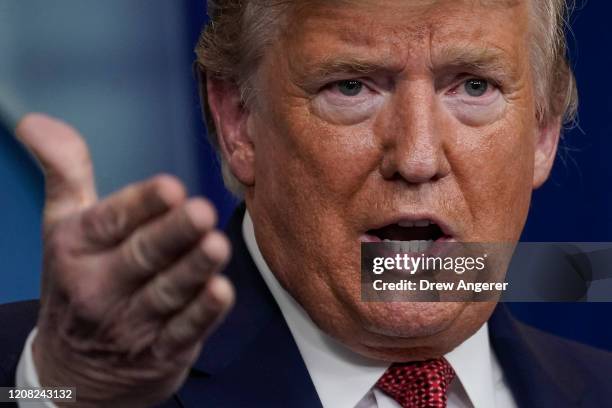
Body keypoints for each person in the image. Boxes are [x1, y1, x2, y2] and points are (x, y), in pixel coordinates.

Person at [1, 0, 611, 407]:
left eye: (474, 86)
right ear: (239, 121)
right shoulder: (45, 376)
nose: (419, 157)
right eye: (351, 86)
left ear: (543, 131)